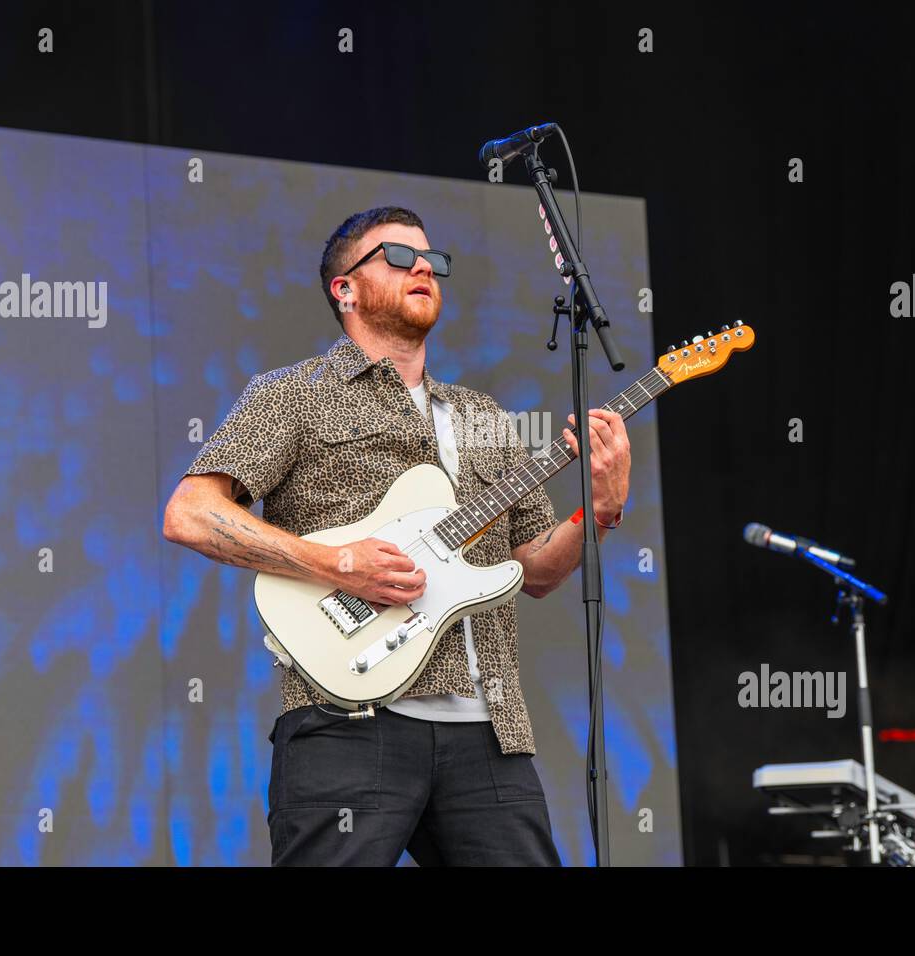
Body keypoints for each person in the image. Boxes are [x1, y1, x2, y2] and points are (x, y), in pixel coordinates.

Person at [162, 206, 630, 865]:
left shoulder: (484, 418)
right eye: (399, 257)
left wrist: (600, 512)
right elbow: (190, 513)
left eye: (433, 261)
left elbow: (539, 569)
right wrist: (336, 563)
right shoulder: (293, 394)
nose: (424, 269)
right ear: (344, 289)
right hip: (344, 721)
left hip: (488, 734)